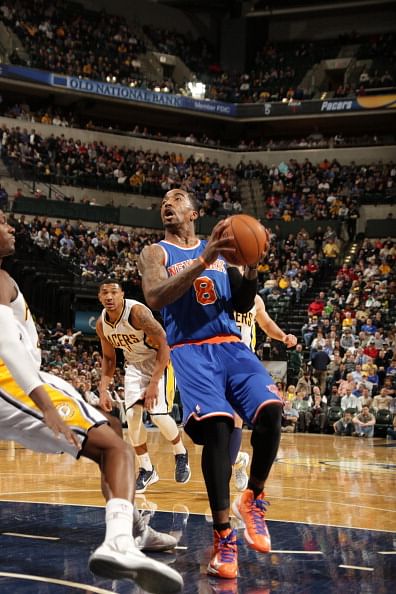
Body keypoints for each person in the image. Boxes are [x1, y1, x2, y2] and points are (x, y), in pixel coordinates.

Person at [0, 211, 183, 594]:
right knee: (115, 446)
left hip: (26, 376)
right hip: (10, 380)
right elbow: (5, 344)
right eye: (2, 222)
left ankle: (131, 524)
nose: (10, 227)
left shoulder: (5, 277)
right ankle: (119, 543)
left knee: (112, 428)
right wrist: (46, 404)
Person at [139, 188, 288, 580]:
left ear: (194, 212)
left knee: (273, 411)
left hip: (230, 344)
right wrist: (205, 259)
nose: (167, 204)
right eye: (163, 201)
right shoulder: (156, 253)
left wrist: (252, 265)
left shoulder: (221, 252)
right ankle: (224, 536)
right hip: (189, 348)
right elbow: (155, 296)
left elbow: (241, 304)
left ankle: (252, 497)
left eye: (175, 198)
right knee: (219, 428)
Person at [97, 279, 191, 493]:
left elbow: (165, 344)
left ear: (122, 295)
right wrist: (103, 389)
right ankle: (147, 469)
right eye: (105, 293)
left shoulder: (137, 313)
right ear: (99, 297)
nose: (109, 297)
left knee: (157, 415)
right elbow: (109, 359)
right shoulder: (102, 324)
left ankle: (180, 452)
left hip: (161, 362)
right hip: (134, 367)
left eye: (114, 292)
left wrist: (154, 383)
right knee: (131, 417)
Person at [233, 290, 297, 490]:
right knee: (212, 426)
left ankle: (231, 469)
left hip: (243, 363)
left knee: (235, 418)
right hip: (216, 360)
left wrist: (283, 336)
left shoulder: (254, 299)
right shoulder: (218, 290)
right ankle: (237, 460)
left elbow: (266, 324)